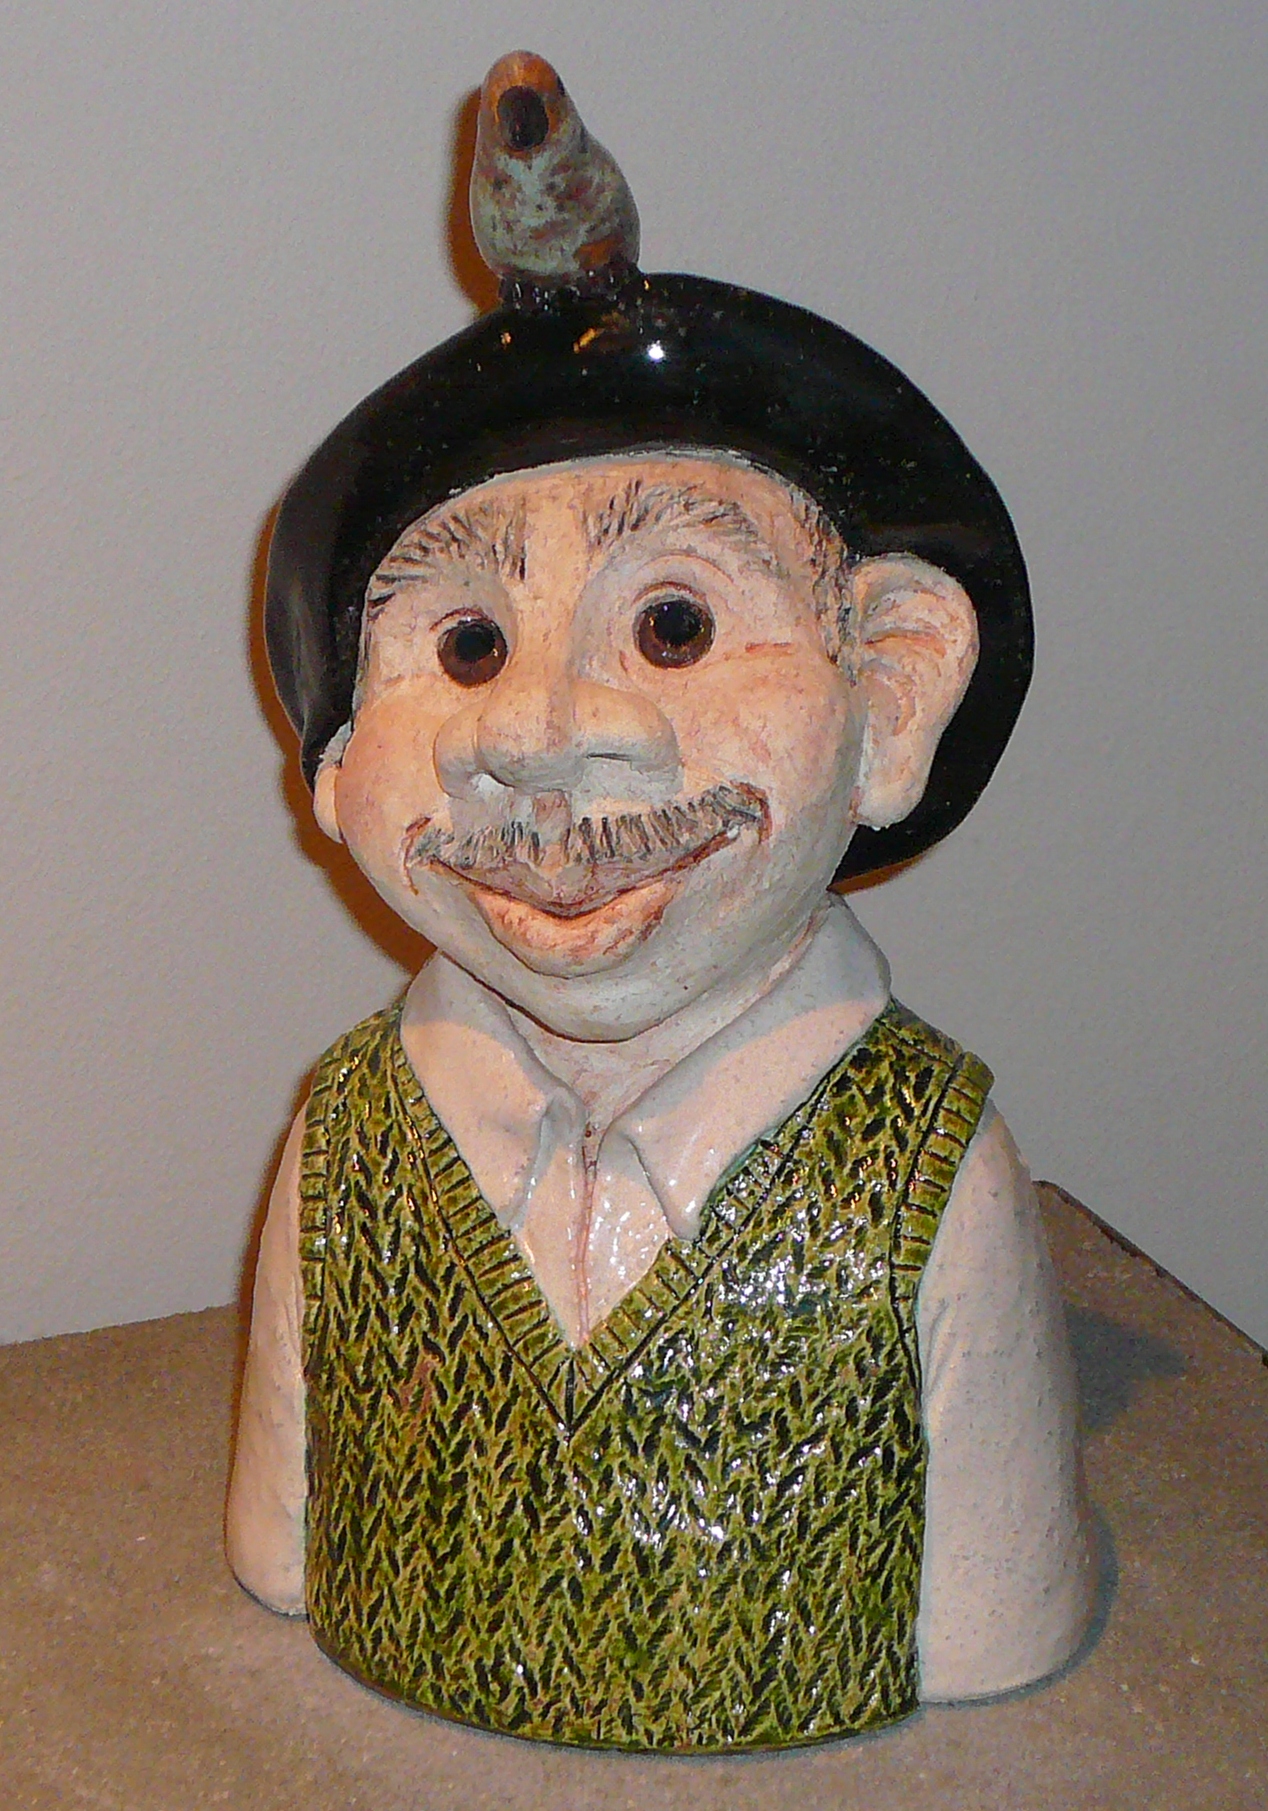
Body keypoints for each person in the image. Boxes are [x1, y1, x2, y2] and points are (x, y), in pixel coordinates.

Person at [227, 53, 1096, 1752]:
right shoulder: (345, 1151)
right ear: (335, 775)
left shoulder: (930, 1184)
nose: (544, 735)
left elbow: (999, 1614)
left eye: (674, 625)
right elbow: (283, 1538)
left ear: (890, 690)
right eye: (466, 645)